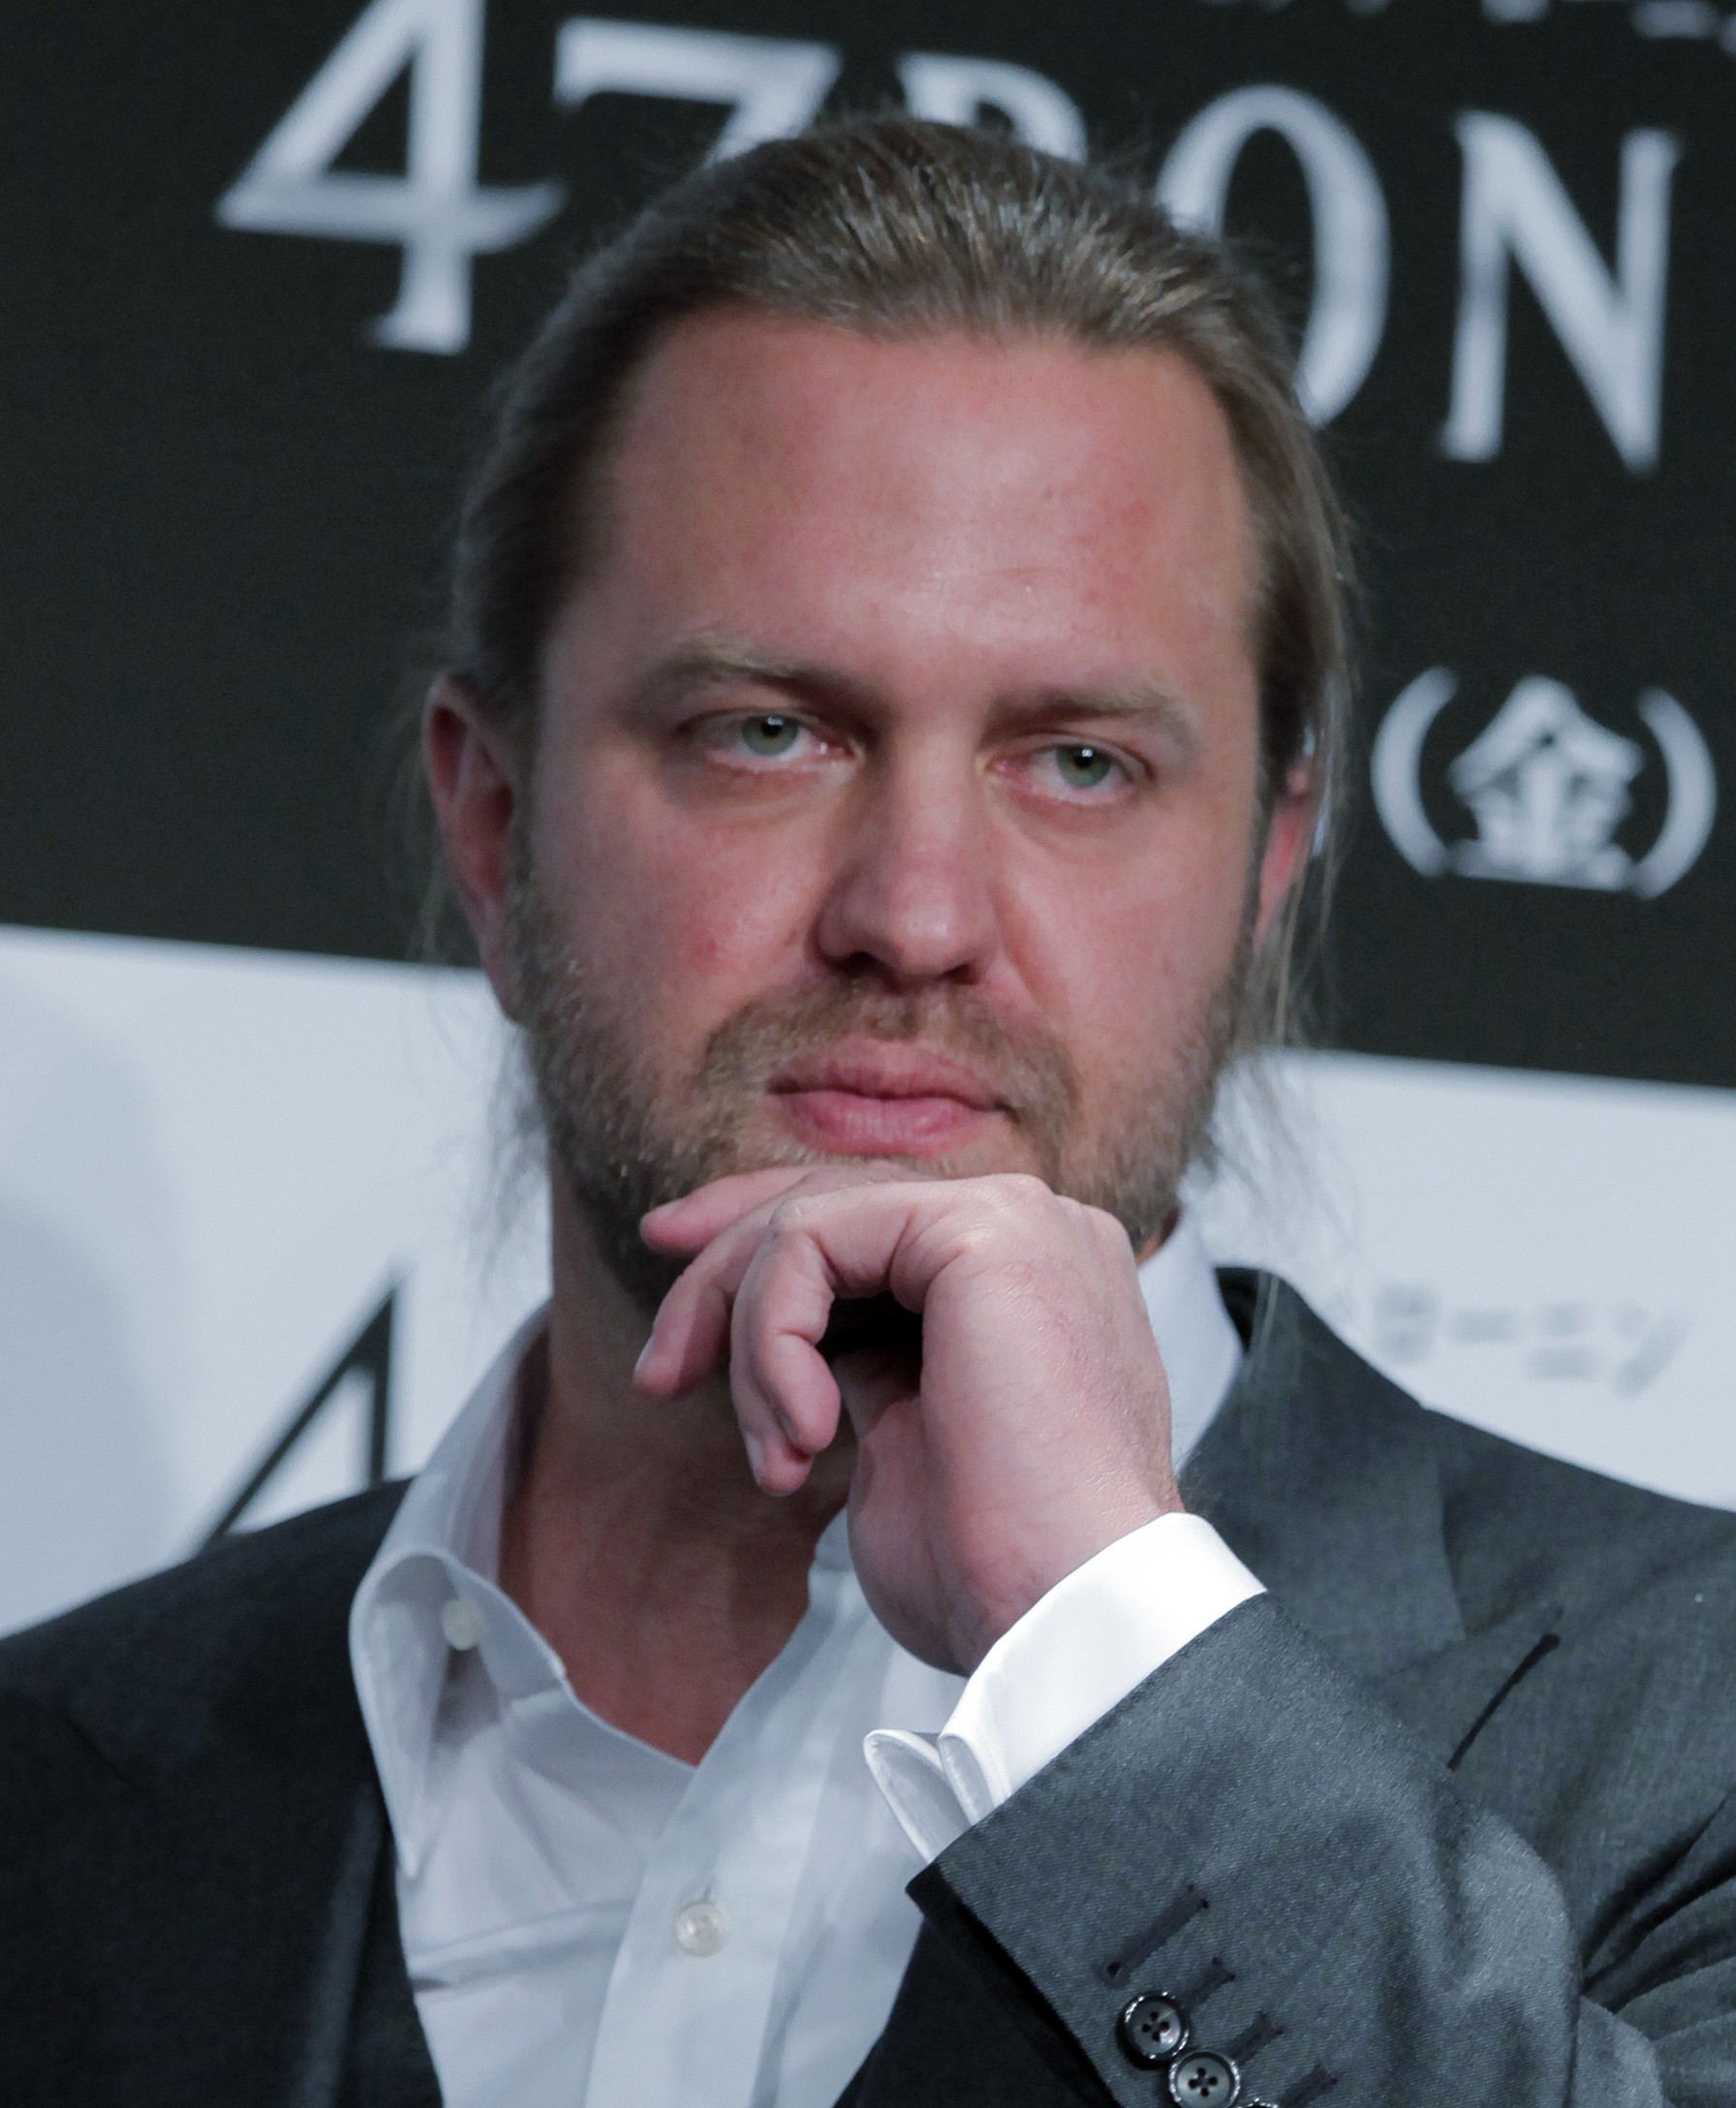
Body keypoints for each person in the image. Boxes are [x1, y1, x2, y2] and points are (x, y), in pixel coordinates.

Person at [2, 116, 1731, 2108]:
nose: (913, 915)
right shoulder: (49, 1782)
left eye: (1077, 763)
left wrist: (1108, 1651)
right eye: (768, 732)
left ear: (1266, 875)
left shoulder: (1685, 1720)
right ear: (491, 823)